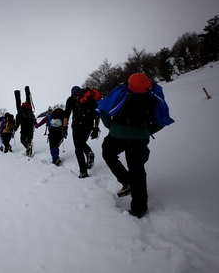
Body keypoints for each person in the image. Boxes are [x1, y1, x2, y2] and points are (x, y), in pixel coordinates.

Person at [96, 73, 174, 218]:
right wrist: (146, 131)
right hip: (140, 138)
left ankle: (126, 181)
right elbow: (161, 121)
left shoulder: (122, 93)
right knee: (137, 168)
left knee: (108, 154)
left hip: (117, 134)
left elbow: (104, 110)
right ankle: (139, 208)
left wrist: (110, 126)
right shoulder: (153, 98)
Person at [63, 86, 101, 178]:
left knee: (78, 147)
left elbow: (66, 114)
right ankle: (88, 153)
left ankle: (83, 171)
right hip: (89, 124)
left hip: (77, 125)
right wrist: (96, 128)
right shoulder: (89, 99)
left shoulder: (71, 99)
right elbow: (97, 113)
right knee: (82, 143)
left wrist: (64, 127)